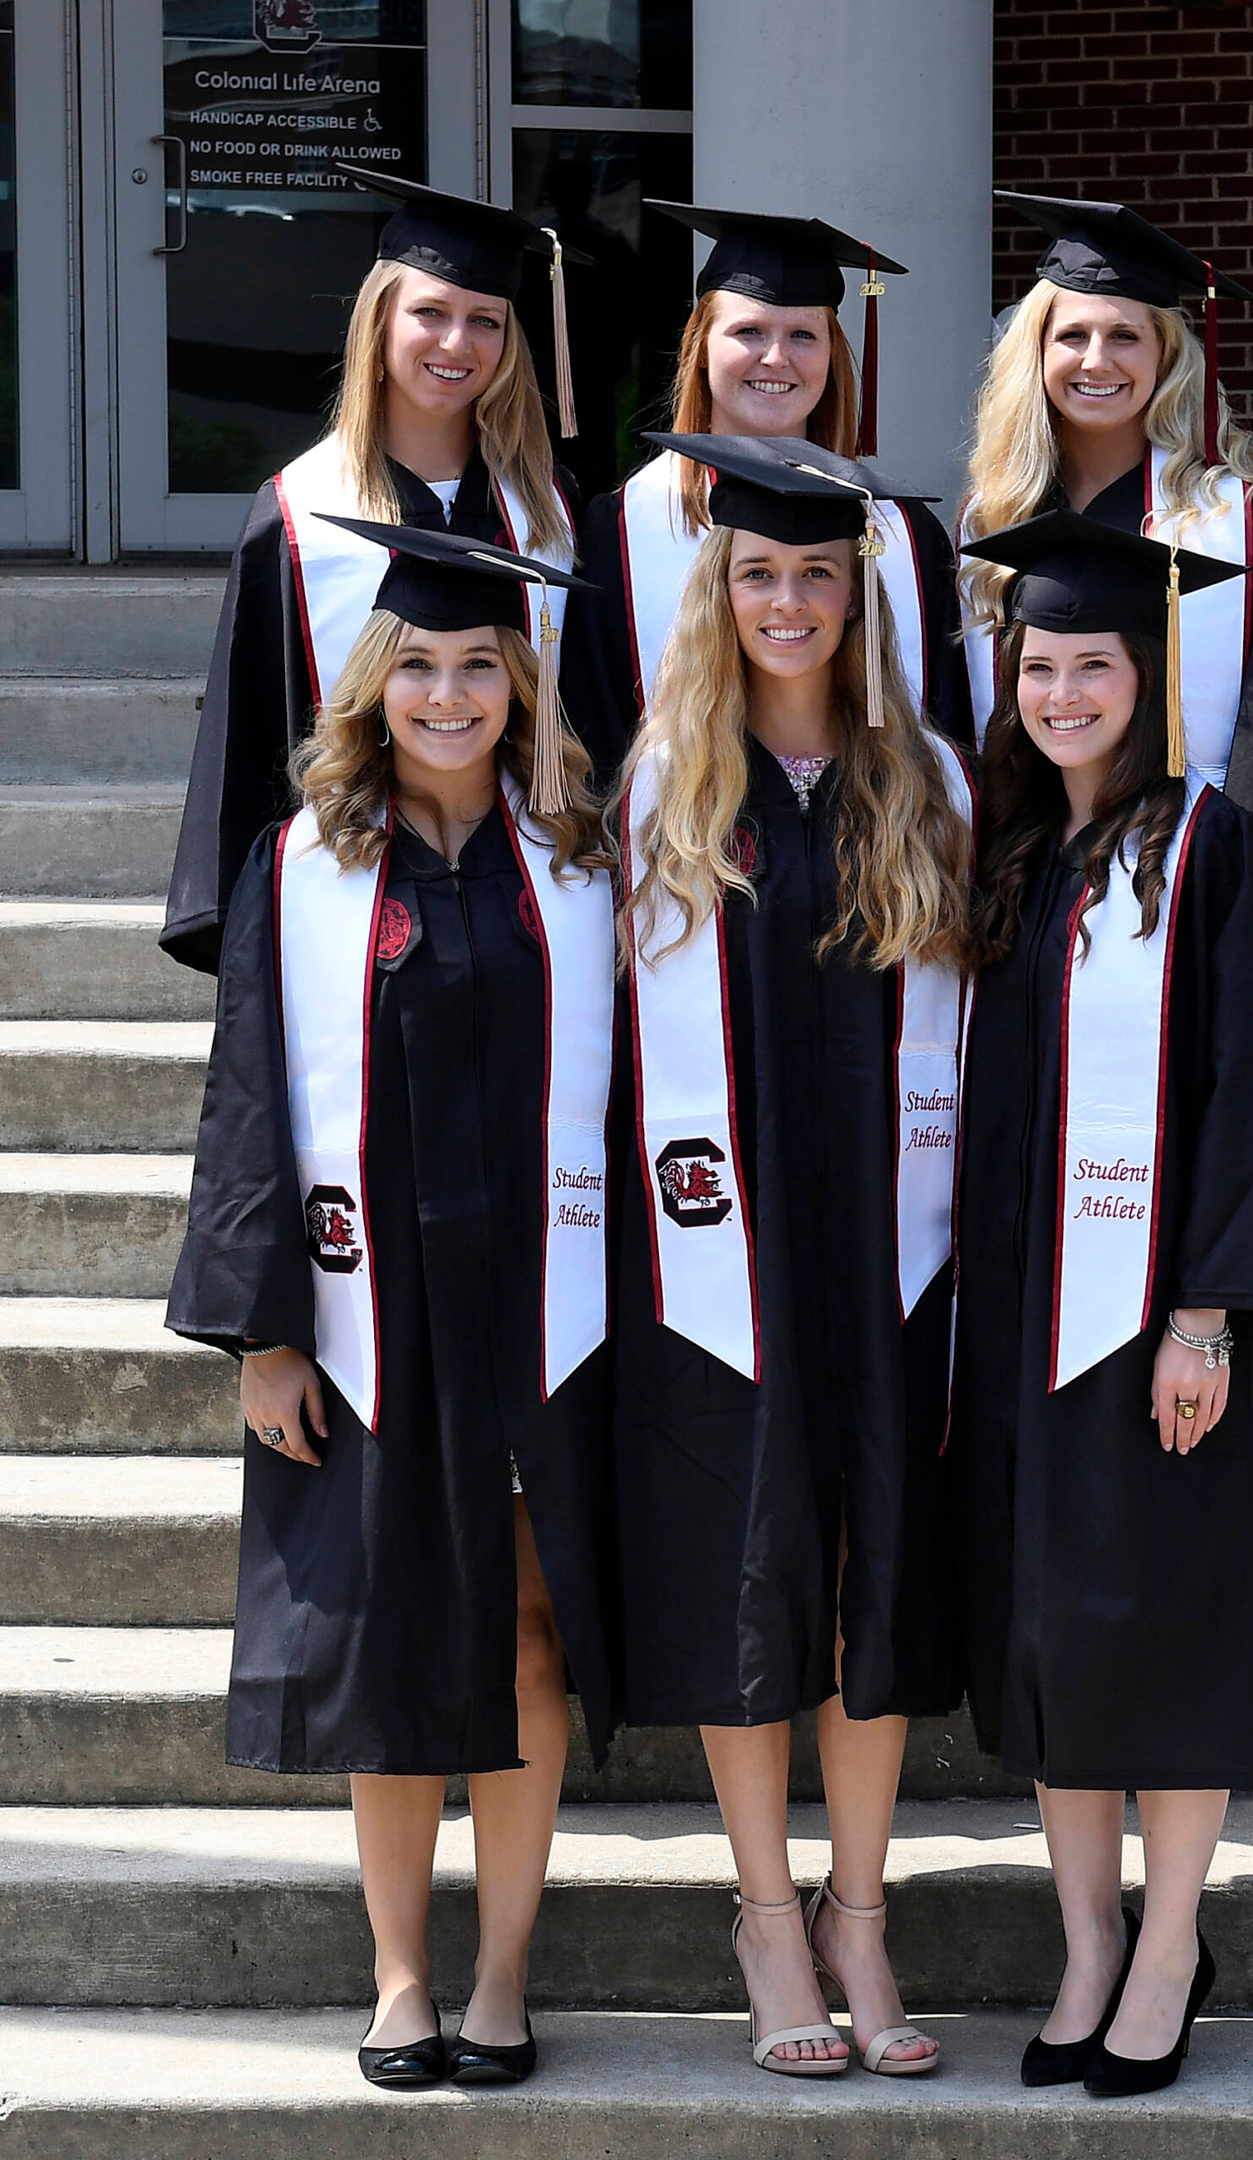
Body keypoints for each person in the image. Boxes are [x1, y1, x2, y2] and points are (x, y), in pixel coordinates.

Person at [166, 524, 618, 2090]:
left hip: (550, 1305)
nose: (447, 693)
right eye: (417, 666)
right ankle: (399, 1979)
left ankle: (501, 1978)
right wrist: (264, 1328)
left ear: (519, 683)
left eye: (477, 666)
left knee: (530, 1635)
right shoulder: (299, 864)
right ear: (373, 685)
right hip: (375, 1307)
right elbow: (248, 1100)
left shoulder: (580, 856)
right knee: (388, 1637)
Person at [947, 512, 1253, 2097]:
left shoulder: (1217, 850)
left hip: (1164, 1335)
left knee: (1171, 1637)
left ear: (1149, 675)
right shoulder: (1013, 854)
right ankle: (1082, 1946)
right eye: (1038, 665)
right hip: (1025, 1330)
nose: (1063, 693)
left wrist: (1202, 1315)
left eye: (1093, 665)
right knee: (1057, 1641)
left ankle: (1171, 1944)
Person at [613, 434, 973, 2080]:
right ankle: (767, 1921)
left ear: (861, 592)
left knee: (873, 1573)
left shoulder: (932, 788)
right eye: (759, 572)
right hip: (722, 1262)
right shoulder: (661, 785)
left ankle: (861, 1915)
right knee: (755, 1577)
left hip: (889, 1258)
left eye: (817, 572)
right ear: (720, 589)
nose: (788, 598)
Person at [162, 168, 591, 974]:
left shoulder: (553, 513)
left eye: (486, 321)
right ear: (379, 323)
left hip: (532, 908)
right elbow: (254, 739)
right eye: (429, 312)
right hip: (356, 909)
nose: (457, 344)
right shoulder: (298, 515)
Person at [960, 192, 1253, 973]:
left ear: (1167, 355)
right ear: (1034, 355)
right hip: (1017, 873)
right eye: (1070, 335)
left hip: (1176, 867)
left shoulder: (1224, 516)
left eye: (1125, 336)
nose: (1095, 360)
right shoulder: (989, 520)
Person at [562, 204, 971, 775]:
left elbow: (946, 725)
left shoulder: (902, 533)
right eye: (748, 331)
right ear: (700, 347)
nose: (776, 357)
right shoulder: (622, 529)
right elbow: (596, 733)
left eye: (803, 334)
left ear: (833, 355)